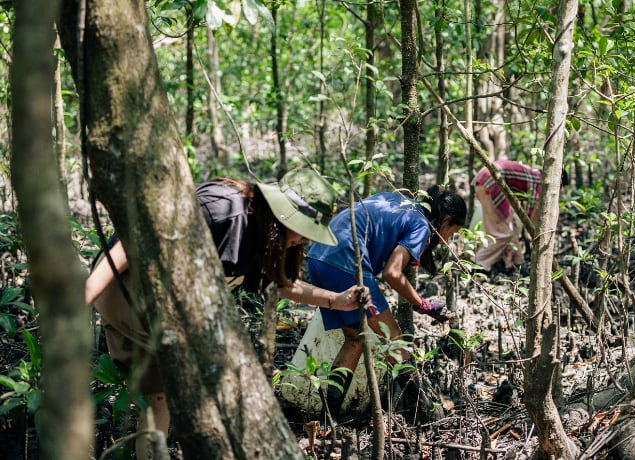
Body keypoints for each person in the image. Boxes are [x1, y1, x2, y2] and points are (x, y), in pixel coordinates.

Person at [85, 168, 367, 459]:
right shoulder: (223, 208)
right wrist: (87, 292)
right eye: (304, 229)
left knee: (160, 401)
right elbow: (133, 242)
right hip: (131, 293)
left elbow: (281, 283)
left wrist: (337, 300)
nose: (304, 240)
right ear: (283, 214)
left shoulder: (262, 231)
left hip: (159, 308)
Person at [306, 186, 467, 425]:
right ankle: (423, 414)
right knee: (393, 338)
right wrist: (423, 305)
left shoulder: (399, 201)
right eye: (452, 231)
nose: (448, 239)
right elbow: (392, 273)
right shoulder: (422, 223)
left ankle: (326, 421)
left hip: (318, 257)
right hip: (347, 262)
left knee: (355, 339)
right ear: (446, 219)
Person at [470, 160, 542, 272]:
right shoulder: (540, 181)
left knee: (510, 227)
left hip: (485, 181)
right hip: (491, 182)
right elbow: (530, 216)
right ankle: (476, 263)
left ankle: (518, 263)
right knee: (502, 233)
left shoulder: (534, 174)